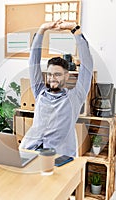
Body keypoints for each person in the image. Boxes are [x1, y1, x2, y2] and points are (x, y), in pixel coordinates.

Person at [19, 20, 93, 156]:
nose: (52, 78)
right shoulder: (40, 92)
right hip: (30, 151)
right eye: (50, 74)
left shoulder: (75, 96)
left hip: (59, 157)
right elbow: (33, 62)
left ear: (66, 76)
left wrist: (75, 29)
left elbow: (87, 65)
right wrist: (42, 30)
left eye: (57, 74)